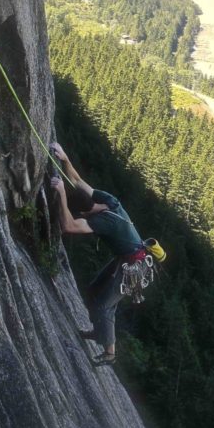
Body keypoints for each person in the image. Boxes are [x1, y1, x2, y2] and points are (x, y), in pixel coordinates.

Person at [49, 142, 153, 366]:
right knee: (95, 290)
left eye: (84, 214)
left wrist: (61, 195)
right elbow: (77, 181)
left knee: (103, 305)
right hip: (130, 259)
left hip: (135, 267)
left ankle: (110, 353)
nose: (85, 216)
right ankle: (100, 333)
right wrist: (65, 158)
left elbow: (68, 226)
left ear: (86, 211)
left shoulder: (104, 222)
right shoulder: (109, 201)